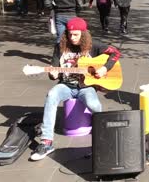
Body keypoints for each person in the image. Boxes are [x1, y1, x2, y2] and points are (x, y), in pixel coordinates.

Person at [30, 17, 121, 161]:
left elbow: (116, 53)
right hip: (66, 86)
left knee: (94, 105)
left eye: (76, 34)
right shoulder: (60, 46)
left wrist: (104, 68)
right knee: (52, 95)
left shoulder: (94, 46)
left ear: (83, 34)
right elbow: (54, 69)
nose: (72, 37)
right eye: (70, 34)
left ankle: (103, 138)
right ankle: (46, 142)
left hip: (86, 87)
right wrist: (52, 74)